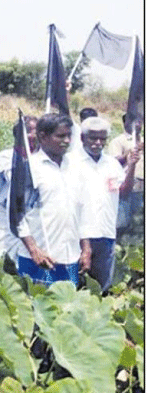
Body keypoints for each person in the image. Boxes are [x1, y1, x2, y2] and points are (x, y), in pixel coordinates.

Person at [16, 113, 85, 286]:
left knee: (66, 306)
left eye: (69, 136)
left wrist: (86, 247)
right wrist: (33, 249)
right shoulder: (29, 167)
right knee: (37, 308)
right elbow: (16, 214)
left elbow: (82, 210)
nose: (67, 141)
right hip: (39, 257)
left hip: (70, 256)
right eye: (61, 136)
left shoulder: (74, 167)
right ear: (43, 137)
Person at [76, 117, 139, 291]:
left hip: (106, 233)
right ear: (82, 138)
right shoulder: (71, 162)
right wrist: (84, 245)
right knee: (76, 285)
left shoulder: (111, 163)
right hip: (78, 235)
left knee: (101, 289)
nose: (98, 143)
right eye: (93, 138)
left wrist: (131, 166)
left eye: (102, 139)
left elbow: (124, 193)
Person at [0, 116, 38, 263]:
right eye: (30, 131)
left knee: (29, 259)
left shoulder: (43, 158)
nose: (34, 136)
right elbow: (15, 177)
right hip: (9, 215)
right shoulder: (6, 156)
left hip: (33, 215)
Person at [109, 115, 144, 238]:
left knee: (140, 219)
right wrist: (129, 152)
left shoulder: (143, 140)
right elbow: (114, 162)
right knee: (124, 219)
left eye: (141, 121)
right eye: (135, 121)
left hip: (142, 185)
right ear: (126, 123)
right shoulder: (118, 141)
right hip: (128, 184)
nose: (139, 124)